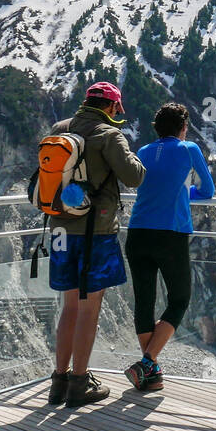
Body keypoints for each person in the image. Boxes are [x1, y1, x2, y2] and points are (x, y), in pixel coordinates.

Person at [47, 81, 145, 408]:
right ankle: (79, 382)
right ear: (112, 107)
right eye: (119, 108)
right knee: (90, 308)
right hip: (96, 232)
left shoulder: (59, 128)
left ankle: (58, 381)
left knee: (69, 305)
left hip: (60, 228)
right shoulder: (109, 134)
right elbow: (134, 176)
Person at [123, 102, 215, 392]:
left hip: (137, 232)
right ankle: (148, 361)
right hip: (170, 234)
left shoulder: (144, 151)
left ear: (157, 128)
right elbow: (208, 191)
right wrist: (186, 191)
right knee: (179, 299)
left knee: (144, 302)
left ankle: (149, 373)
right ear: (184, 127)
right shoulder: (189, 149)